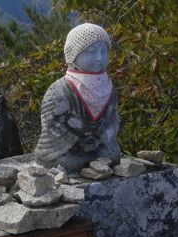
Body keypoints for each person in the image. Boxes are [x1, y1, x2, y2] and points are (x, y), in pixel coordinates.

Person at [35, 23, 121, 171]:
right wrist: (78, 140)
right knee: (66, 162)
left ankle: (91, 157)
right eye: (91, 52)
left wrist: (104, 137)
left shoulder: (109, 87)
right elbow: (52, 128)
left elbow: (112, 120)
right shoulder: (60, 90)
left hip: (98, 145)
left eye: (103, 51)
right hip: (67, 148)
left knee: (113, 155)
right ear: (72, 54)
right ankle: (85, 159)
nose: (99, 58)